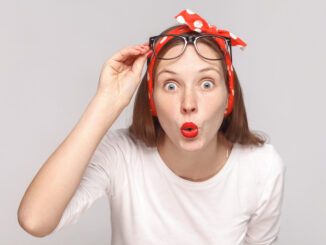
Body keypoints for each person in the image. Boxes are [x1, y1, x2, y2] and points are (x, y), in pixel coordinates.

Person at [17, 9, 286, 245]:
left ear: (229, 98)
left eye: (206, 84)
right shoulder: (122, 155)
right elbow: (35, 220)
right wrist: (106, 102)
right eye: (171, 85)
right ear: (152, 102)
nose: (188, 103)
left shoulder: (262, 168)